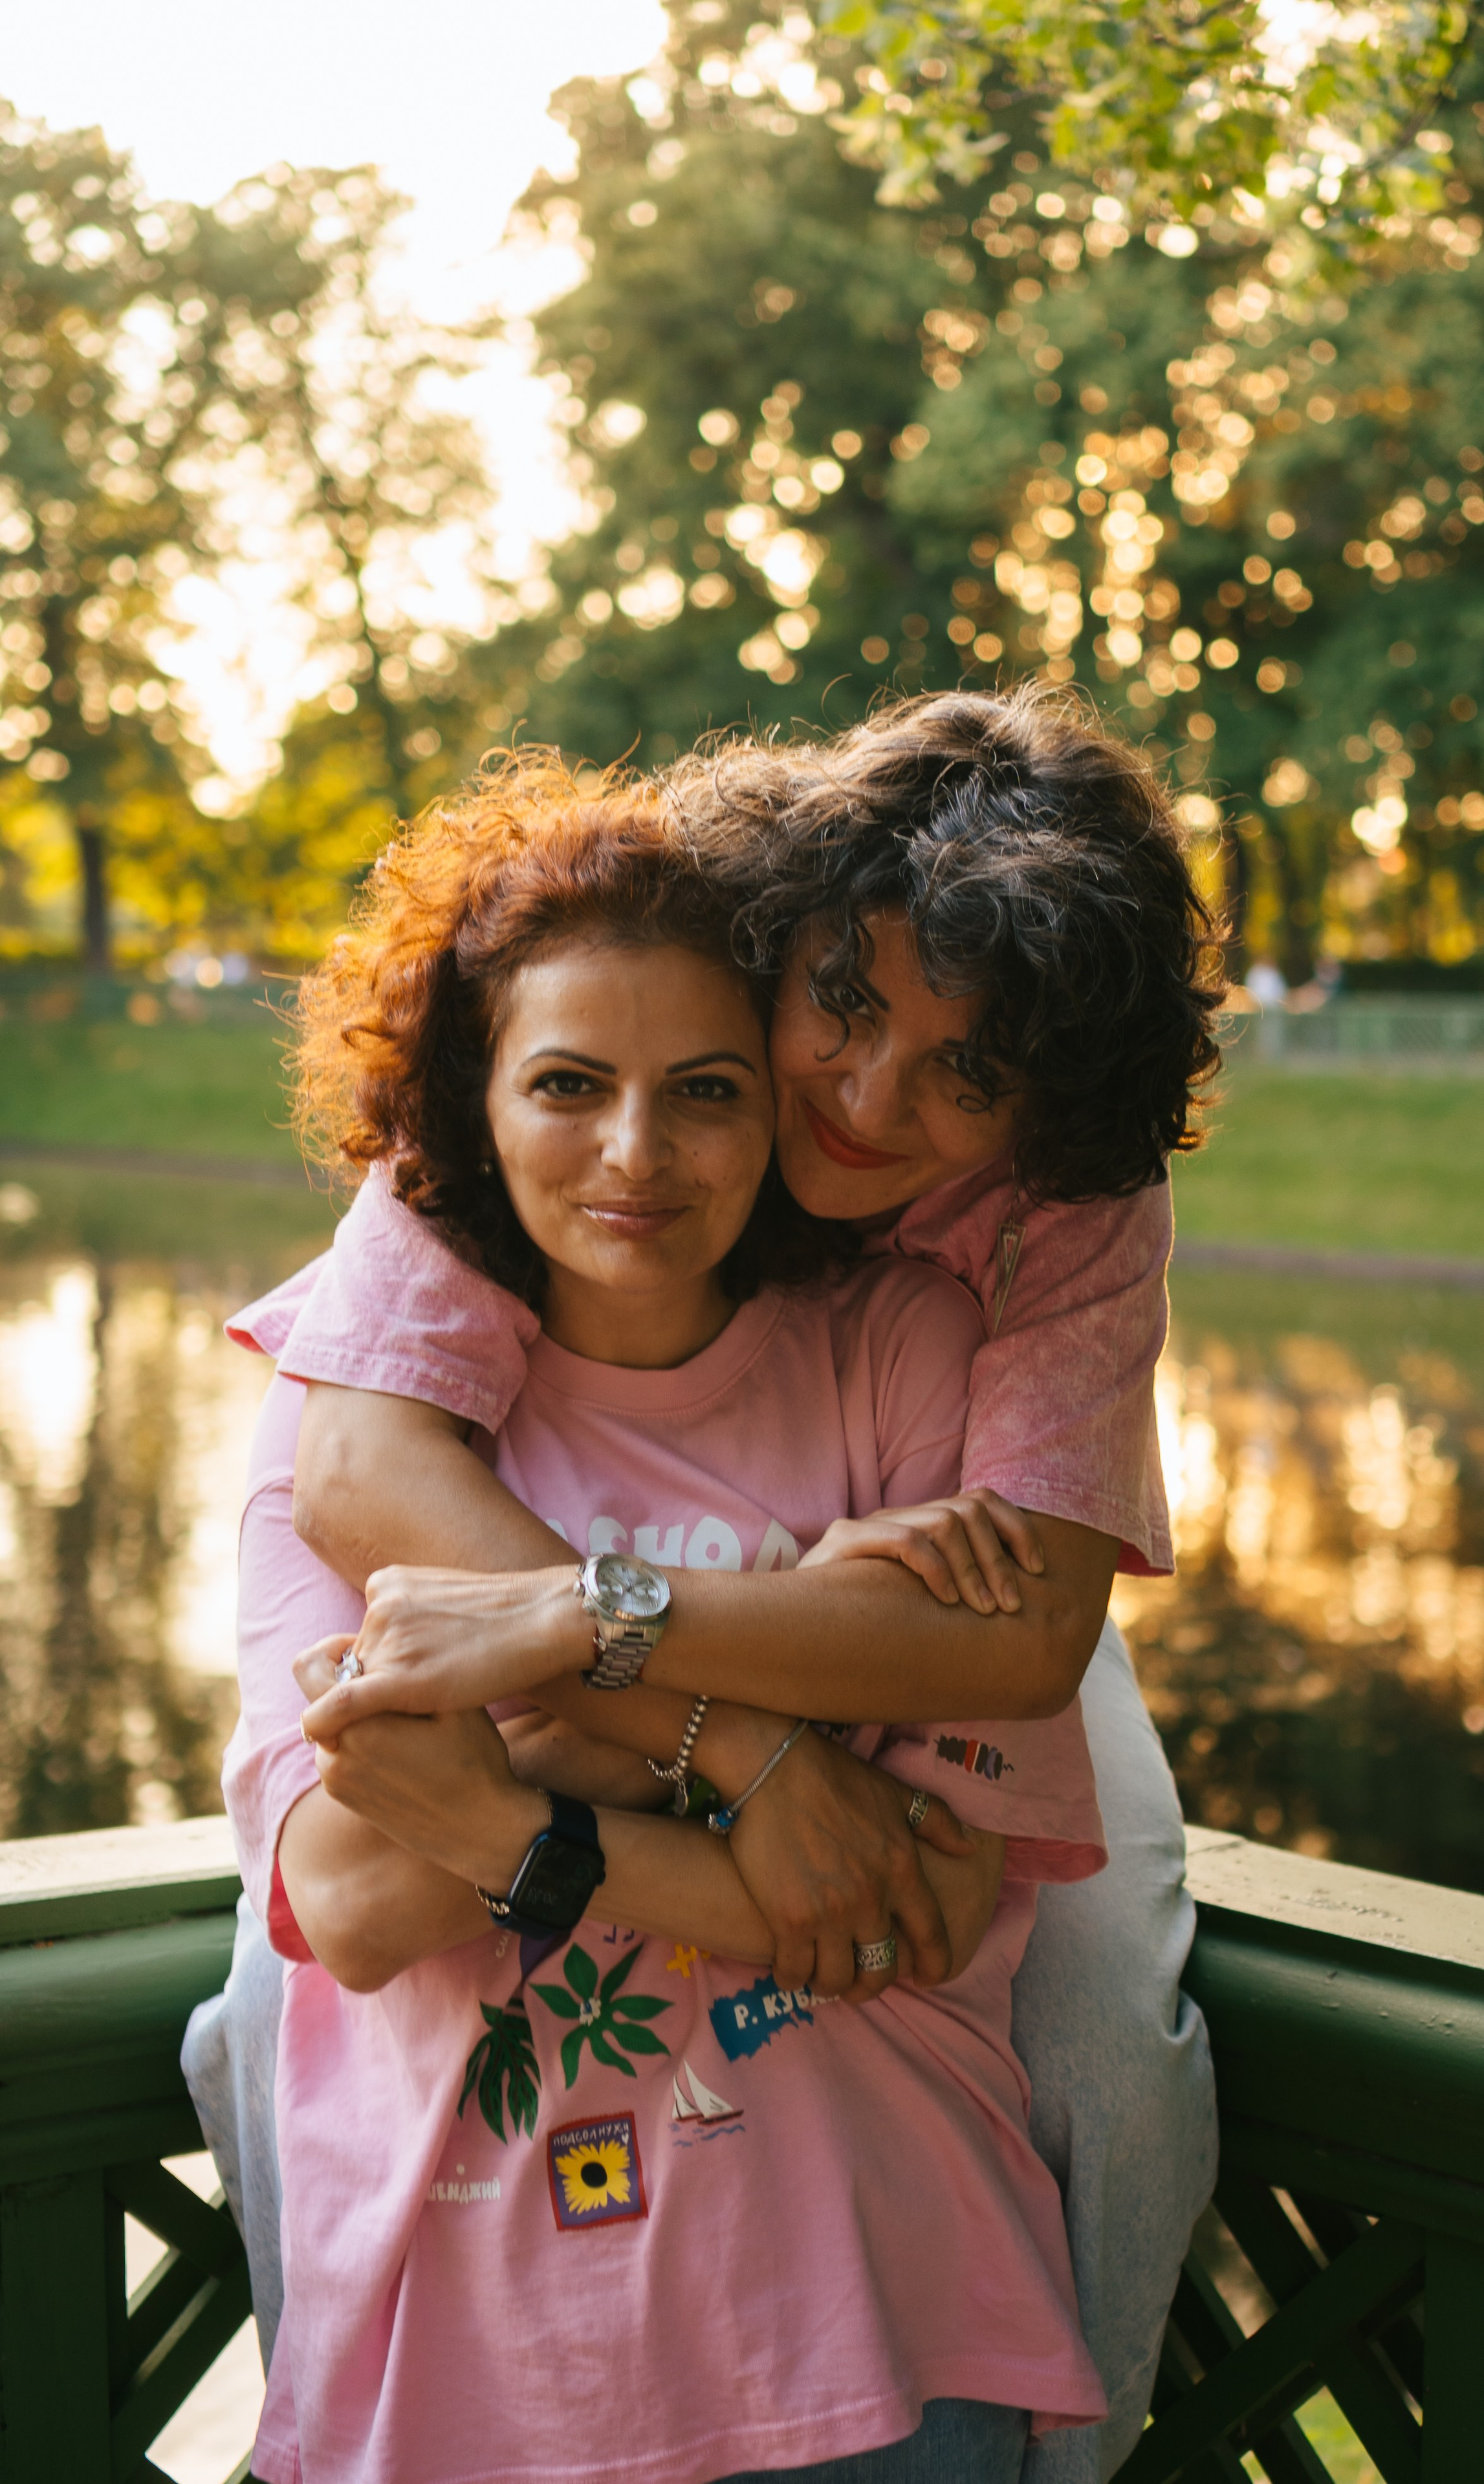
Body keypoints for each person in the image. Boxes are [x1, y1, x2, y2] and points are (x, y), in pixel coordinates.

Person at [188, 684, 1221, 2479]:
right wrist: (739, 1747)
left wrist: (600, 1630)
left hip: (937, 1590)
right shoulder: (626, 967)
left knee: (1118, 2023)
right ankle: (332, 2411)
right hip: (565, 1564)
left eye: (965, 1075)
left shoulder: (1082, 1193)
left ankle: (1071, 2442)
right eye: (846, 1008)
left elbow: (1031, 1634)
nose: (867, 1098)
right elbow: (361, 1470)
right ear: (792, 928)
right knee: (273, 2004)